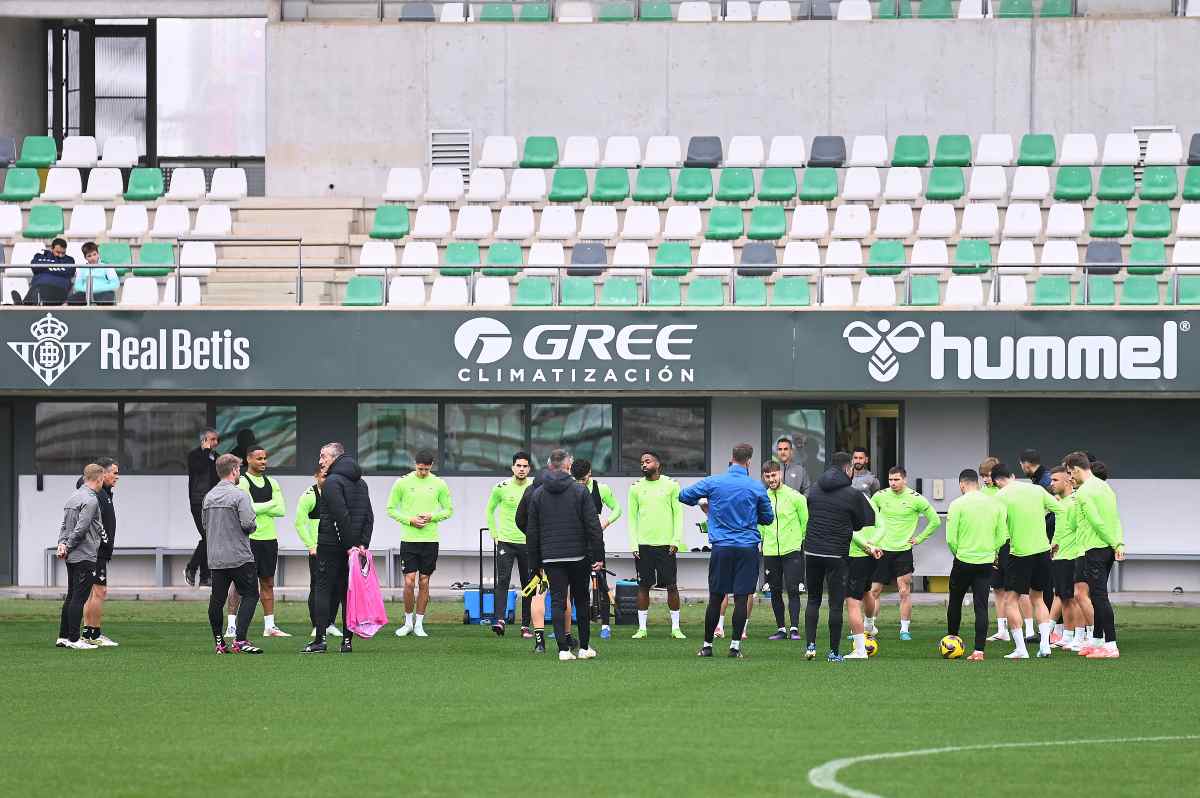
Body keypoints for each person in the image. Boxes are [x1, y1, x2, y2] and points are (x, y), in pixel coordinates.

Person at [679, 443, 774, 659]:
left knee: (716, 597)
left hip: (722, 547)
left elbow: (684, 495)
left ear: (731, 459)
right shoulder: (756, 487)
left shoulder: (714, 482)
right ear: (749, 461)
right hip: (747, 547)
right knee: (742, 598)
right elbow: (768, 518)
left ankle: (707, 646)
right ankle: (734, 647)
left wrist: (707, 506)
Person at [525, 449, 604, 661]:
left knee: (558, 601)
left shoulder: (538, 493)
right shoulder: (580, 491)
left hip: (551, 557)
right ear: (569, 467)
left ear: (550, 466)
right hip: (579, 556)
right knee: (580, 599)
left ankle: (562, 650)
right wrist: (598, 555)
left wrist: (535, 563)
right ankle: (584, 647)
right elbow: (593, 527)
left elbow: (532, 532)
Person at [800, 451, 876, 662]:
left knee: (813, 599)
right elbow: (862, 523)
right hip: (836, 554)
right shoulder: (852, 494)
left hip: (812, 551)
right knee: (835, 604)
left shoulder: (814, 489)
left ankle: (811, 647)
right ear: (847, 468)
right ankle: (833, 652)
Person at [303, 442, 374, 654]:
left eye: (323, 456)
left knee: (323, 590)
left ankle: (320, 640)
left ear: (335, 457)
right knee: (347, 593)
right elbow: (369, 517)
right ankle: (347, 642)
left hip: (331, 544)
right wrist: (361, 544)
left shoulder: (332, 482)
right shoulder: (361, 483)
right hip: (353, 547)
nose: (320, 461)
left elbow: (340, 516)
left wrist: (349, 545)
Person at [993, 463, 1064, 659]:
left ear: (998, 481)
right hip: (1042, 551)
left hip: (1020, 554)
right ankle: (1045, 645)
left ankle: (1021, 650)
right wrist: (1056, 539)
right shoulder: (1036, 490)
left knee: (1010, 600)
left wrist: (995, 551)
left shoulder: (1000, 496)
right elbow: (1061, 509)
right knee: (1038, 598)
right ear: (1013, 475)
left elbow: (999, 529)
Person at [867, 466, 942, 641]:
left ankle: (904, 630)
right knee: (875, 590)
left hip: (903, 551)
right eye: (890, 479)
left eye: (896, 479)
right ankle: (868, 627)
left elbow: (935, 520)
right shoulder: (879, 496)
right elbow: (867, 516)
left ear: (905, 480)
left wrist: (920, 538)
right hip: (882, 549)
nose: (893, 483)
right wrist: (871, 539)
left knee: (904, 591)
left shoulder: (916, 499)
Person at [1065, 452, 1124, 659]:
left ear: (1076, 469)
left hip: (1094, 548)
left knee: (1099, 597)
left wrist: (1114, 541)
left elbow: (1097, 521)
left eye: (1070, 473)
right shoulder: (1106, 487)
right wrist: (1118, 542)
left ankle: (1111, 645)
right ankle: (1098, 641)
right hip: (1107, 548)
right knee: (1097, 596)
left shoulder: (1083, 492)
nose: (1070, 477)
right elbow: (1115, 518)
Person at [388, 449, 453, 638]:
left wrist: (432, 516)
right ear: (415, 464)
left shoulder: (439, 484)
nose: (422, 472)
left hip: (430, 540)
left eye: (426, 469)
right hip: (409, 540)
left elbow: (448, 510)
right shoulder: (402, 482)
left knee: (424, 580)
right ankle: (407, 622)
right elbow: (391, 509)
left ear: (431, 466)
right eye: (419, 469)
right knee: (409, 581)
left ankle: (419, 624)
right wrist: (410, 520)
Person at [225, 446, 289, 638]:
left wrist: (259, 507)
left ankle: (269, 626)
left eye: (265, 458)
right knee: (239, 584)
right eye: (259, 458)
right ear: (248, 460)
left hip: (269, 540)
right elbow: (247, 508)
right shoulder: (242, 482)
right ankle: (231, 626)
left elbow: (281, 510)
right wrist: (269, 505)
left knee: (268, 582)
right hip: (248, 540)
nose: (263, 462)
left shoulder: (273, 482)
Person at [944, 469, 1008, 661]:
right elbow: (1002, 536)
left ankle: (952, 640)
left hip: (963, 560)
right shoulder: (996, 504)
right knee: (981, 606)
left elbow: (950, 539)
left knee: (955, 600)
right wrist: (992, 551)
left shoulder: (957, 504)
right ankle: (979, 650)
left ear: (962, 485)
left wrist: (959, 553)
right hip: (986, 561)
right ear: (977, 483)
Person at [202, 454, 262, 655]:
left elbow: (205, 525)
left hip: (216, 557)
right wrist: (252, 525)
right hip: (239, 556)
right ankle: (241, 639)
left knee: (217, 600)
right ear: (234, 470)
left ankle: (219, 643)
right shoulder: (240, 495)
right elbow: (248, 524)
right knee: (251, 594)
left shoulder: (208, 496)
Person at [628, 451, 685, 640]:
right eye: (641, 462)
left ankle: (676, 628)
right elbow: (631, 518)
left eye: (647, 461)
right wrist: (633, 543)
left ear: (658, 464)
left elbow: (678, 514)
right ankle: (642, 629)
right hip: (643, 546)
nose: (643, 464)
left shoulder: (671, 485)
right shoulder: (635, 488)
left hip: (666, 545)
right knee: (643, 586)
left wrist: (675, 540)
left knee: (671, 586)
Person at [55, 464, 106, 650]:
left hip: (71, 554)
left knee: (71, 596)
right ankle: (75, 640)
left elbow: (64, 526)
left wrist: (62, 544)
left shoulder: (72, 497)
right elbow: (82, 528)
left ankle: (63, 636)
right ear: (99, 479)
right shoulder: (91, 500)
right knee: (79, 597)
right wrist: (67, 545)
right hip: (84, 554)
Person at [571, 457, 622, 639]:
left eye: (584, 480)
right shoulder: (569, 488)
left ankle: (606, 625)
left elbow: (617, 509)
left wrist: (606, 521)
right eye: (578, 480)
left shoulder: (602, 489)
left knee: (601, 584)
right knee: (573, 584)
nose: (581, 484)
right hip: (574, 541)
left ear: (590, 474)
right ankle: (566, 625)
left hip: (594, 542)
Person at [486, 451, 535, 638]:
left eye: (525, 466)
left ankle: (525, 626)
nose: (521, 469)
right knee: (503, 580)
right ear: (513, 467)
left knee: (528, 584)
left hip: (528, 542)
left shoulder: (535, 487)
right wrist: (494, 534)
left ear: (529, 468)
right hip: (506, 541)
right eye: (518, 466)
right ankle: (499, 620)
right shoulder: (501, 487)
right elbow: (490, 510)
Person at [759, 461, 808, 641]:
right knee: (775, 590)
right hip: (770, 550)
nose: (771, 479)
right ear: (764, 477)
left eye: (774, 475)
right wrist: (763, 542)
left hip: (791, 549)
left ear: (780, 474)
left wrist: (797, 540)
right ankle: (781, 629)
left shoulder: (796, 497)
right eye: (767, 476)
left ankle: (794, 628)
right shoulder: (763, 497)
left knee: (793, 590)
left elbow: (805, 522)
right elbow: (760, 523)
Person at [295, 465, 342, 640]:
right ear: (316, 476)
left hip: (336, 548)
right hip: (318, 550)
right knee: (317, 587)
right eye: (323, 476)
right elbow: (299, 523)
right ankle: (317, 625)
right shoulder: (309, 496)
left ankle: (329, 623)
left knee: (337, 587)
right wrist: (310, 546)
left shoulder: (336, 494)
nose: (326, 480)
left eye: (329, 477)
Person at [78, 457, 118, 647]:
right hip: (96, 552)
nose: (117, 477)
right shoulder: (96, 494)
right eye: (114, 473)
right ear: (103, 473)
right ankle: (93, 634)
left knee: (94, 592)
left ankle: (90, 632)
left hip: (100, 551)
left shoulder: (105, 493)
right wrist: (102, 542)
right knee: (99, 592)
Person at [1048, 466, 1085, 651]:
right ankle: (1068, 635)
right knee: (1064, 597)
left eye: (1055, 480)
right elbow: (1059, 531)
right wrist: (1053, 545)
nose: (1051, 483)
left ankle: (1080, 636)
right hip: (1060, 555)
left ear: (1067, 481)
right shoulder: (1061, 504)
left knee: (1074, 598)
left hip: (1071, 555)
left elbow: (1077, 529)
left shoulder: (1073, 502)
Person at [1020, 448, 1057, 620]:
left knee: (1048, 585)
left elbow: (1052, 510)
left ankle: (1051, 628)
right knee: (1047, 585)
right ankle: (1050, 628)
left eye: (1021, 465)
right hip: (1046, 537)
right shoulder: (1040, 479)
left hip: (1050, 538)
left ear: (1026, 464)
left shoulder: (1045, 481)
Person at [185, 428, 220, 587]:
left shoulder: (217, 458)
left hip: (213, 503)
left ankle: (205, 577)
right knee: (208, 536)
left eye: (216, 440)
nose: (215, 443)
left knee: (209, 538)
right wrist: (206, 452)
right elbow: (198, 468)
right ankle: (192, 569)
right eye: (212, 439)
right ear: (204, 441)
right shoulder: (194, 456)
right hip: (198, 502)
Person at [19, 237, 75, 305]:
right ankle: (24, 304)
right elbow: (35, 267)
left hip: (59, 288)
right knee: (36, 291)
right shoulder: (40, 256)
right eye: (58, 252)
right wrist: (58, 267)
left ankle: (23, 304)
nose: (60, 255)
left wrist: (46, 267)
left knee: (42, 292)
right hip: (38, 286)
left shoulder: (69, 260)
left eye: (63, 253)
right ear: (52, 248)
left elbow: (69, 272)